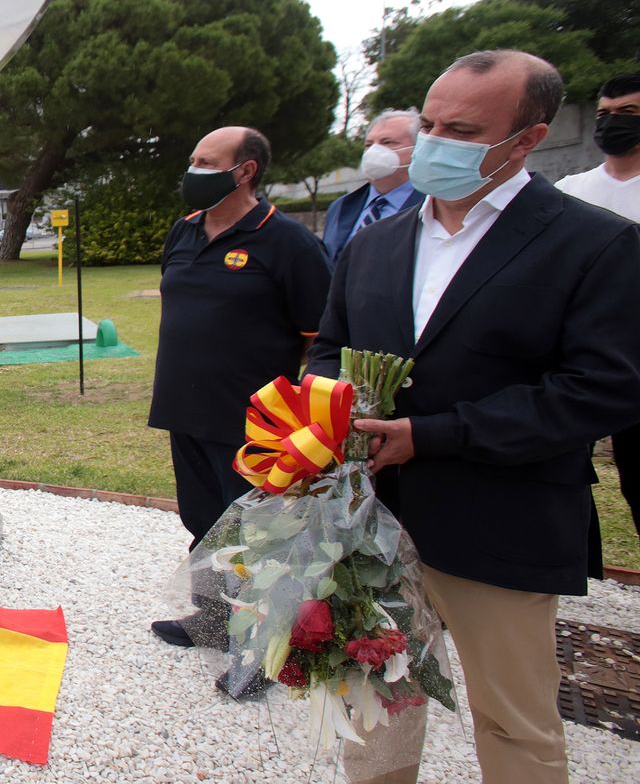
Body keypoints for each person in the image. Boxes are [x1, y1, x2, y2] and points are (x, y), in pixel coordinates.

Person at [312, 51, 640, 784]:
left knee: (514, 719)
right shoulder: (376, 242)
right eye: (427, 123)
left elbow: (601, 390)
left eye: (460, 129)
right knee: (377, 700)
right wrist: (325, 406)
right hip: (374, 522)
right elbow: (329, 349)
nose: (432, 142)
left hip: (503, 520)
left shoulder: (592, 243)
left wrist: (431, 435)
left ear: (526, 139)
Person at [147, 126, 331, 653]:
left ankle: (263, 647)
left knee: (257, 535)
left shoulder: (288, 242)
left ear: (245, 170)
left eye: (207, 163)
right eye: (193, 160)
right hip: (185, 408)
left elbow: (322, 336)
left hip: (256, 421)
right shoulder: (183, 232)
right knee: (203, 521)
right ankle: (211, 619)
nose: (192, 172)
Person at [556, 72, 640, 540]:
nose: (612, 123)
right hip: (583, 358)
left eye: (628, 114)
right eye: (605, 114)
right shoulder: (572, 190)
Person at [321, 109, 424, 265]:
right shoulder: (340, 207)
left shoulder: (434, 207)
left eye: (387, 142)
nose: (374, 151)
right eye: (368, 145)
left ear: (418, 148)